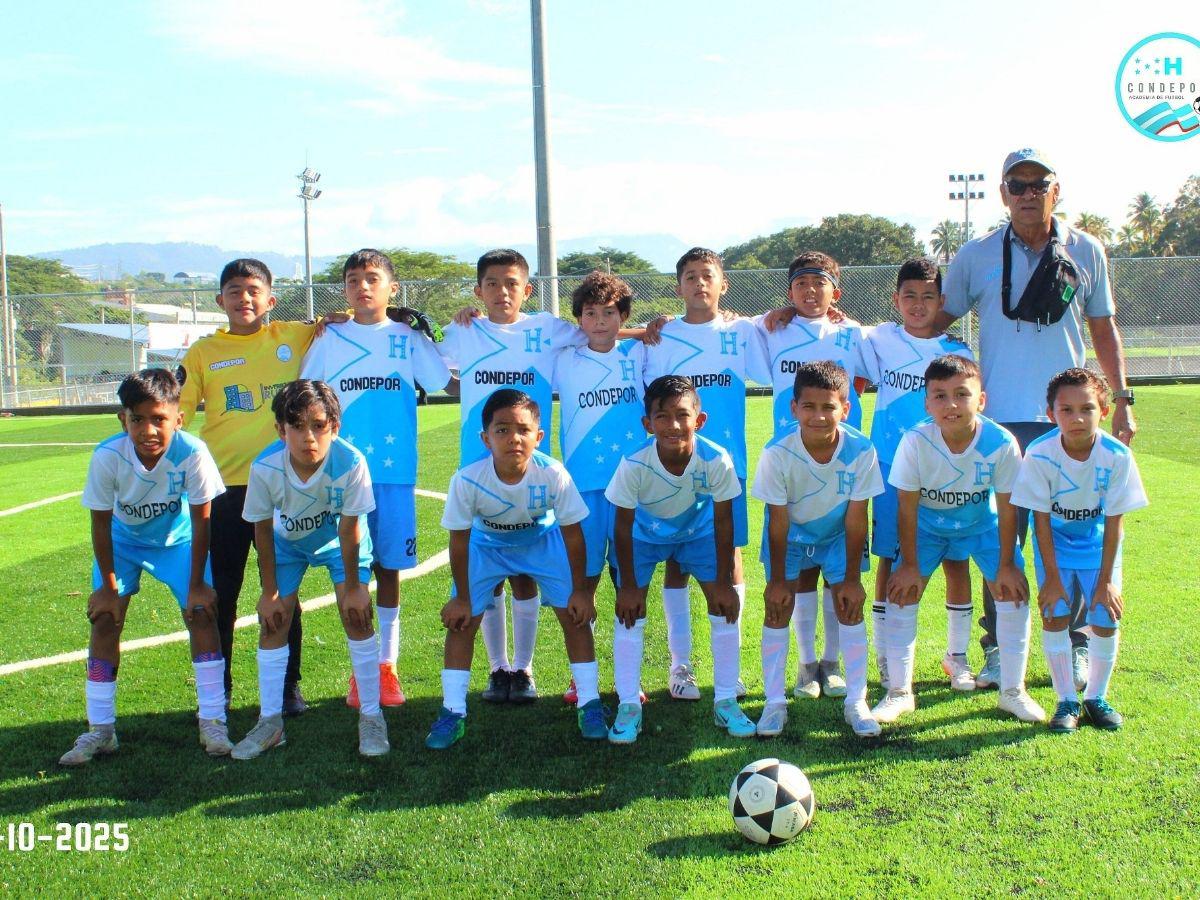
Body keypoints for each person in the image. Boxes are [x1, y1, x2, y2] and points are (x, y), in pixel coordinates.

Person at [939, 148, 1138, 691]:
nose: (1028, 193)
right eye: (1017, 184)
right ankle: (1001, 647)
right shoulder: (976, 255)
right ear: (1003, 193)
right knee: (1003, 540)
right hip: (998, 422)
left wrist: (1122, 400)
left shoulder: (1086, 249)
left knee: (1077, 534)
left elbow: (1103, 330)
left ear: (1057, 189)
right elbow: (934, 320)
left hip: (1068, 422)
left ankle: (1072, 645)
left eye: (1038, 183)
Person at [300, 249, 451, 709]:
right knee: (350, 571)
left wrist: (427, 332)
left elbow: (441, 378)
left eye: (372, 278)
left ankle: (385, 668)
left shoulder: (407, 337)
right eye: (352, 280)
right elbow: (305, 395)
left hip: (394, 471)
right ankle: (360, 669)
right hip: (340, 472)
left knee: (388, 569)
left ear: (392, 287)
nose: (362, 287)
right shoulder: (330, 338)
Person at [435, 249, 586, 704]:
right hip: (479, 469)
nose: (502, 291)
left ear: (528, 289)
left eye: (512, 283)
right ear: (478, 290)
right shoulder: (464, 330)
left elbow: (603, 328)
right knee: (491, 578)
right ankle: (497, 667)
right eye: (493, 283)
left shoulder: (546, 328)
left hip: (529, 467)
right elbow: (425, 357)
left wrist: (656, 330)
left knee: (525, 577)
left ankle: (523, 668)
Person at [61, 369, 227, 765]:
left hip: (178, 542)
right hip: (123, 542)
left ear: (179, 418)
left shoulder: (193, 452)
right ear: (124, 420)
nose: (148, 430)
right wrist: (108, 585)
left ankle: (213, 721)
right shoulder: (107, 456)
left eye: (159, 419)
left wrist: (198, 584)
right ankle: (101, 730)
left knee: (202, 613)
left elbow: (202, 519)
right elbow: (100, 523)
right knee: (105, 619)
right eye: (137, 419)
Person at [425, 389, 605, 749]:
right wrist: (461, 597)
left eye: (522, 430)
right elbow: (459, 541)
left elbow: (572, 534)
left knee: (575, 616)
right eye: (502, 430)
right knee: (462, 621)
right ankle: (452, 711)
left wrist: (581, 590)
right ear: (485, 438)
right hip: (486, 545)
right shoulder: (468, 479)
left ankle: (590, 703)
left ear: (538, 437)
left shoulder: (552, 473)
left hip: (542, 541)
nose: (513, 439)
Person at [177, 259, 313, 715]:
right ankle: (222, 687)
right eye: (234, 291)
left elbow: (358, 320)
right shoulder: (201, 352)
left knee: (283, 588)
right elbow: (178, 414)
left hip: (283, 487)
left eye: (254, 290)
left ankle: (288, 687)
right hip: (225, 490)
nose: (244, 299)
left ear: (271, 299)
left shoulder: (297, 336)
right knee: (223, 592)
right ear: (220, 300)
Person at [883, 355, 1043, 725]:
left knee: (1013, 591)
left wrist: (1006, 564)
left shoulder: (1001, 442)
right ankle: (899, 693)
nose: (951, 404)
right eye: (939, 396)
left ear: (981, 400)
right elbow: (906, 508)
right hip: (927, 527)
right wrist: (908, 565)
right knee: (903, 592)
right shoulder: (916, 441)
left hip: (981, 525)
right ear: (927, 403)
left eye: (961, 394)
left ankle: (1013, 692)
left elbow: (1008, 509)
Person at [231, 380, 386, 759]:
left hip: (338, 544)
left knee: (356, 614)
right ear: (280, 430)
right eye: (296, 426)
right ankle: (270, 722)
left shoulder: (350, 463)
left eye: (318, 425)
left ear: (335, 427)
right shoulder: (266, 467)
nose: (308, 437)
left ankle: (371, 715)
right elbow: (262, 530)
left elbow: (349, 529)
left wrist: (354, 586)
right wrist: (269, 593)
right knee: (274, 620)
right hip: (287, 546)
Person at [641, 248, 769, 703]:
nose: (699, 283)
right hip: (671, 467)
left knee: (728, 558)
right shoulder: (659, 337)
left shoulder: (742, 331)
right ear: (678, 287)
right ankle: (681, 666)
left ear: (723, 284)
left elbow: (786, 330)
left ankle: (729, 670)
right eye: (690, 276)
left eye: (707, 276)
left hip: (724, 467)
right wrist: (648, 324)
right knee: (676, 562)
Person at [605, 375, 751, 743]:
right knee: (629, 614)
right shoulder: (634, 463)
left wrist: (722, 580)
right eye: (662, 416)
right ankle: (628, 705)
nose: (673, 425)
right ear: (647, 424)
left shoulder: (716, 459)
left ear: (698, 421)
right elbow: (621, 527)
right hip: (643, 536)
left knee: (724, 608)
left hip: (697, 533)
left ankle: (726, 701)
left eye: (682, 415)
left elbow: (723, 520)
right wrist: (629, 586)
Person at [753, 250, 872, 701]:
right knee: (800, 577)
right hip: (792, 462)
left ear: (835, 292)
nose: (809, 291)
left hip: (839, 459)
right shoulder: (772, 329)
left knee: (838, 576)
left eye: (819, 283)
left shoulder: (853, 332)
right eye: (800, 283)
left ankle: (832, 663)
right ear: (789, 291)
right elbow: (717, 324)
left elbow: (864, 376)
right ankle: (807, 666)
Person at [1011, 368, 1147, 733]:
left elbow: (1115, 522)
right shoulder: (1040, 454)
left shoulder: (1116, 455)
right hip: (1054, 546)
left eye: (1086, 408)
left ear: (1103, 411)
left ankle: (1096, 698)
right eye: (1066, 410)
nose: (1076, 418)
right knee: (1054, 614)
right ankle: (1066, 700)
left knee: (1105, 615)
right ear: (1051, 413)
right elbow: (1039, 522)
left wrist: (1106, 582)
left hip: (1098, 546)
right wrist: (1051, 579)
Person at [861, 258, 976, 692]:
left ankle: (957, 655)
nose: (918, 304)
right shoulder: (879, 339)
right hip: (891, 466)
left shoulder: (958, 352)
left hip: (949, 470)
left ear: (942, 301)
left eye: (928, 296)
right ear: (896, 299)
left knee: (955, 557)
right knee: (889, 556)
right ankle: (887, 658)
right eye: (909, 295)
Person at [753, 362, 884, 739]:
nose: (818, 416)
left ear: (845, 409)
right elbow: (776, 520)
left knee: (849, 605)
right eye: (808, 407)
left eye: (828, 407)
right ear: (793, 409)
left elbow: (858, 516)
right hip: (791, 537)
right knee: (777, 607)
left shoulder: (860, 449)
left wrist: (853, 578)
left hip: (838, 536)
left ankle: (856, 702)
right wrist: (778, 580)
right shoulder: (777, 452)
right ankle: (774, 704)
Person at [552, 271, 648, 705]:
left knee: (629, 581)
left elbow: (657, 333)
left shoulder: (641, 354)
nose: (600, 321)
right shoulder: (564, 358)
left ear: (623, 315)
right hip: (583, 487)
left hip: (631, 486)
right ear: (579, 319)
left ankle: (630, 679)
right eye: (590, 314)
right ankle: (582, 675)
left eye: (609, 313)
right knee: (583, 582)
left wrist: (648, 328)